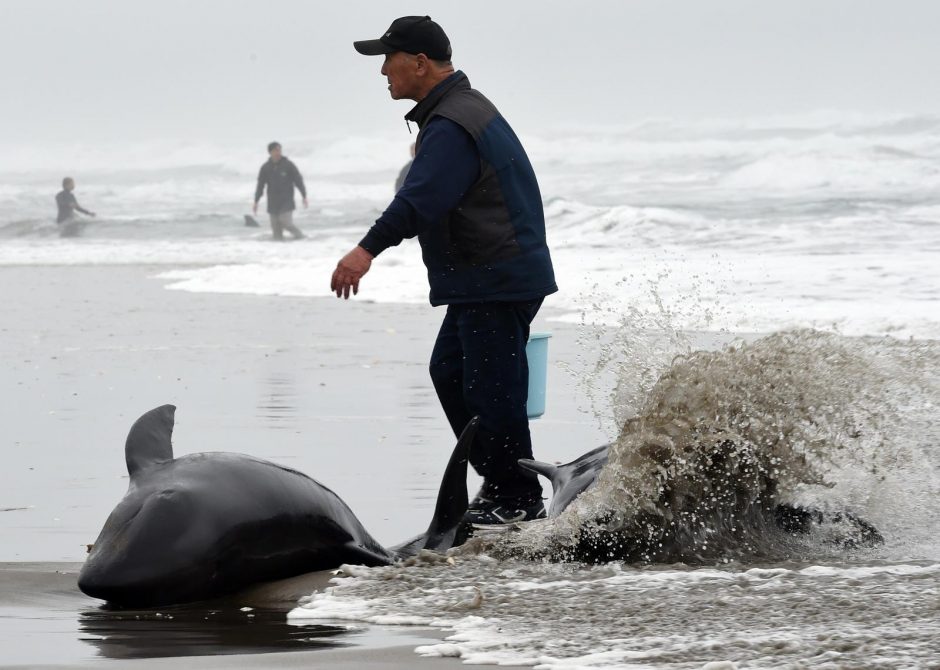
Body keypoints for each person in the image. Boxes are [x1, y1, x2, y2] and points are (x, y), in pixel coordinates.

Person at [332, 16, 558, 525]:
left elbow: (422, 200)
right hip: (488, 276)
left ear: (419, 63)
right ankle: (503, 484)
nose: (382, 71)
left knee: (491, 387)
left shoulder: (453, 122)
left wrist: (365, 250)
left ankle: (517, 497)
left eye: (387, 59)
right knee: (453, 373)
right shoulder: (458, 112)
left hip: (497, 276)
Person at [253, 142, 307, 240]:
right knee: (276, 232)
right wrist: (256, 201)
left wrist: (304, 195)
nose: (278, 153)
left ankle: (301, 238)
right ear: (270, 152)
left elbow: (298, 180)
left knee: (286, 222)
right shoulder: (265, 167)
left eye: (279, 150)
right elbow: (260, 185)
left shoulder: (288, 165)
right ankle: (281, 252)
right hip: (273, 202)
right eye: (275, 150)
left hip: (287, 201)